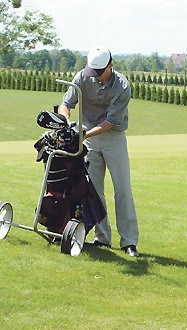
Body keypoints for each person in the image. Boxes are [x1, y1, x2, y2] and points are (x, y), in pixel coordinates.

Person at [59, 47, 140, 257]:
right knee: (94, 190)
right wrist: (68, 123)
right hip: (87, 138)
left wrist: (83, 135)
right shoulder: (83, 76)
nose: (93, 76)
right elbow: (65, 104)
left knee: (122, 190)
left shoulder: (122, 86)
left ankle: (129, 241)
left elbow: (110, 123)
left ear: (110, 66)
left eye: (98, 72)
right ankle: (102, 238)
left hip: (113, 138)